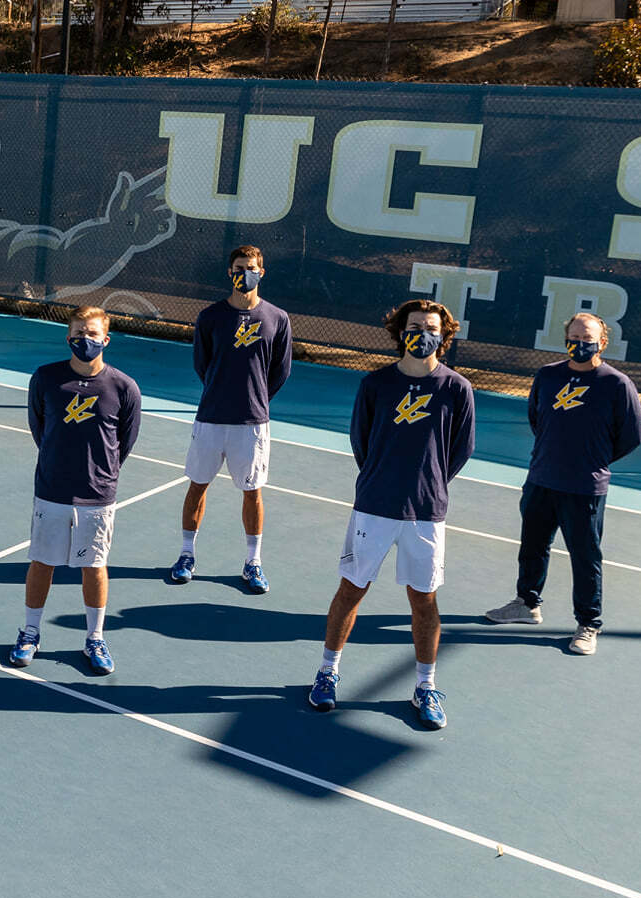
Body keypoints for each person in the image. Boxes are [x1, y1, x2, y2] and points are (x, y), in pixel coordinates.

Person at [308, 300, 476, 729]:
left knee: (424, 601)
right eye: (415, 326)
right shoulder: (376, 384)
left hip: (425, 513)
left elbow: (459, 451)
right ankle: (327, 673)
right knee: (351, 591)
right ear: (400, 332)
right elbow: (361, 443)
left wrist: (430, 482)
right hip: (375, 508)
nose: (423, 333)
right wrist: (383, 480)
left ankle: (425, 685)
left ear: (446, 335)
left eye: (431, 327)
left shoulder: (457, 389)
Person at [485, 313, 641, 654]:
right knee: (532, 546)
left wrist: (592, 461)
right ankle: (526, 604)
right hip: (542, 479)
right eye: (574, 337)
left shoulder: (617, 384)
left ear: (602, 343)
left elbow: (631, 436)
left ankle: (588, 623)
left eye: (587, 338)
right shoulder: (547, 376)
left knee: (585, 556)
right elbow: (536, 418)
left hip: (585, 487)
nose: (579, 344)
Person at [7, 307, 142, 676]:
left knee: (94, 566)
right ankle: (29, 632)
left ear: (106, 339)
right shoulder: (47, 378)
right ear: (68, 338)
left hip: (97, 495)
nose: (86, 339)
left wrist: (103, 474)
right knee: (42, 562)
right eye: (79, 333)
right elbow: (39, 427)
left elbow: (124, 441)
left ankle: (94, 638)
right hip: (52, 489)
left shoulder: (123, 387)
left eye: (93, 333)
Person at [172, 244, 291, 593]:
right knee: (198, 486)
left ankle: (253, 562)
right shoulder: (210, 317)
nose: (245, 273)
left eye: (251, 267)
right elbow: (202, 364)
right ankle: (186, 555)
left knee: (252, 492)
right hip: (211, 418)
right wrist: (222, 393)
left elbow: (280, 371)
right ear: (229, 272)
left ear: (262, 272)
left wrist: (253, 399)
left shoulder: (277, 318)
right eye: (239, 267)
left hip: (252, 423)